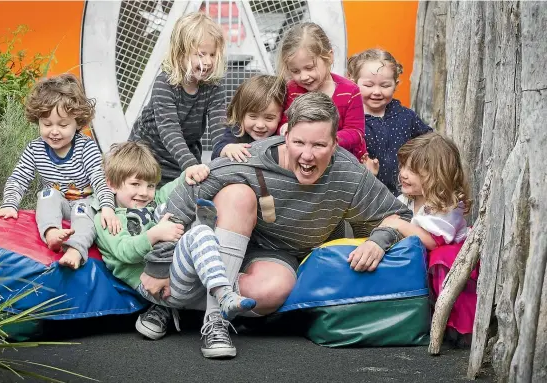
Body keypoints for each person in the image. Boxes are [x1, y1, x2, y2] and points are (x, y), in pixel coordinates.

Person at [140, 92, 413, 359]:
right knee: (237, 194)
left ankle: (173, 302)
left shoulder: (348, 173)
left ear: (334, 144)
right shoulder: (250, 159)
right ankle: (215, 322)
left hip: (271, 255)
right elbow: (186, 196)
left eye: (319, 145)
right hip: (218, 240)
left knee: (276, 289)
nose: (307, 155)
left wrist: (378, 240)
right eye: (299, 142)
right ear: (285, 135)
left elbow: (398, 214)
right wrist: (160, 262)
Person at [93, 141, 256, 359]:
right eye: (135, 184)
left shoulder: (153, 202)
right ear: (111, 184)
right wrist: (154, 234)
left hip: (179, 275)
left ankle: (220, 286)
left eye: (150, 185)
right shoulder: (108, 219)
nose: (144, 192)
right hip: (155, 287)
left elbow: (176, 187)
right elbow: (124, 252)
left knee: (180, 212)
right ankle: (220, 292)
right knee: (196, 231)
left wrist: (191, 172)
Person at [0, 74, 120, 270]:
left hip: (83, 202)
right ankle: (51, 232)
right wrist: (10, 205)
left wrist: (107, 207)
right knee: (46, 194)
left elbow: (99, 179)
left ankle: (75, 250)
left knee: (85, 212)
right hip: (56, 204)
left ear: (78, 122)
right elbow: (19, 178)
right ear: (38, 121)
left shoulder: (87, 148)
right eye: (47, 124)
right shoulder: (35, 149)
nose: (54, 131)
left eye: (63, 124)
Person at [385, 132, 476, 346]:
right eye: (403, 167)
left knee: (441, 257)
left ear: (437, 175)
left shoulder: (448, 206)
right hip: (419, 264)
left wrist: (399, 224)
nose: (403, 174)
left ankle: (450, 321)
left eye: (413, 171)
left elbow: (434, 241)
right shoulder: (407, 200)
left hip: (447, 264)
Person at [129, 12, 227, 187]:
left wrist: (225, 150)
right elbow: (169, 130)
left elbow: (218, 127)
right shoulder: (165, 83)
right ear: (180, 53)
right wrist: (190, 165)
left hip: (184, 155)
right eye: (201, 54)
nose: (208, 61)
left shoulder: (214, 87)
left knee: (188, 193)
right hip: (148, 155)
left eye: (212, 55)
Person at [275, 22, 366, 161]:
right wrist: (285, 129)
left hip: (341, 163)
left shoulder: (350, 91)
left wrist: (326, 141)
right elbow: (282, 123)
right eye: (295, 71)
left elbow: (356, 132)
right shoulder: (292, 90)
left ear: (328, 57)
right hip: (303, 161)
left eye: (309, 68)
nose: (303, 76)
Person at [347, 48, 432, 194]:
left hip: (404, 195)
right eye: (368, 85)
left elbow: (430, 143)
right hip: (365, 197)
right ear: (354, 83)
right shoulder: (350, 121)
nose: (377, 91)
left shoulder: (406, 117)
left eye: (385, 85)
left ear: (396, 85)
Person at [211, 75, 285, 162]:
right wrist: (228, 148)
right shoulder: (237, 129)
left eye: (269, 118)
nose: (260, 125)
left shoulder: (282, 135)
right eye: (253, 117)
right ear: (241, 114)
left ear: (281, 116)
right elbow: (216, 153)